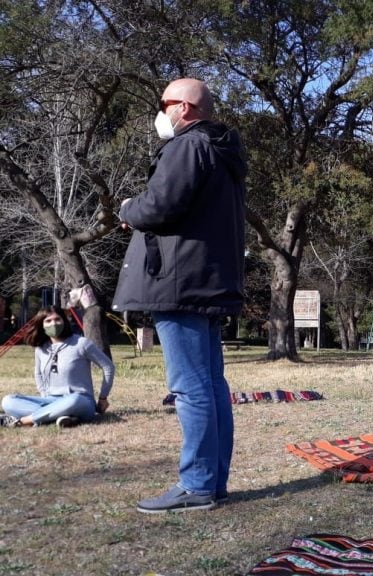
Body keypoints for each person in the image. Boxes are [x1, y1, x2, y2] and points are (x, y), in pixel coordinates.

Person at [112, 78, 247, 514]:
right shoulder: (223, 151)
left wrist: (129, 208)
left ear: (185, 108)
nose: (160, 111)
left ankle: (197, 485)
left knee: (191, 388)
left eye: (164, 103)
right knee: (210, 385)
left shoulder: (187, 147)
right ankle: (213, 481)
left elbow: (160, 206)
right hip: (208, 279)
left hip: (180, 282)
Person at [0, 305, 114, 428]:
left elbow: (108, 367)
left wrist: (103, 397)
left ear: (64, 321)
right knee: (8, 401)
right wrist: (44, 393)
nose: (53, 324)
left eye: (57, 319)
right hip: (51, 400)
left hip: (81, 400)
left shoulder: (81, 343)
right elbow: (38, 373)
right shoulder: (40, 348)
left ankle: (23, 421)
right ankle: (61, 417)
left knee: (74, 401)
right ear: (42, 325)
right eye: (48, 321)